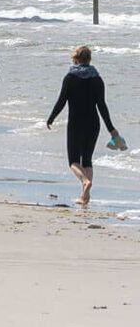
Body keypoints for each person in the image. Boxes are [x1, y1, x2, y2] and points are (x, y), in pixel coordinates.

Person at [46, 46, 120, 208]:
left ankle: (85, 182)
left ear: (76, 59)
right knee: (87, 160)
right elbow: (102, 106)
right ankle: (85, 196)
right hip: (93, 123)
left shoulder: (70, 78)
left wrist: (51, 118)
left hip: (76, 123)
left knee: (73, 160)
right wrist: (111, 129)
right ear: (89, 59)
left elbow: (61, 101)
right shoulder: (97, 79)